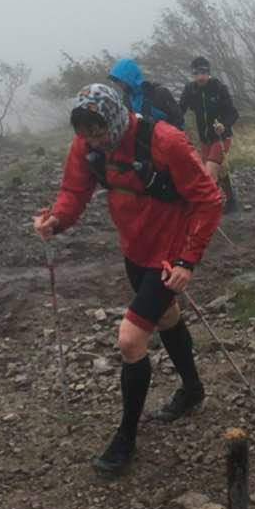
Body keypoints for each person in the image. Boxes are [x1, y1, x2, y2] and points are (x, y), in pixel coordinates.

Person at [33, 83, 222, 477]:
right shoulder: (86, 147)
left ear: (116, 114)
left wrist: (189, 259)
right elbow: (73, 190)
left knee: (130, 339)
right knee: (166, 317)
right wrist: (58, 220)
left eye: (99, 127)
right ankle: (192, 391)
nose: (93, 136)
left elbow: (208, 198)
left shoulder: (165, 141)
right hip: (134, 250)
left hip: (169, 254)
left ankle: (125, 438)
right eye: (85, 128)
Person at [180, 56, 239, 214]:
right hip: (205, 139)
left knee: (209, 172)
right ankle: (231, 200)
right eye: (196, 73)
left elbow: (233, 113)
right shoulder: (190, 90)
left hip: (222, 137)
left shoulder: (219, 88)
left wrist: (223, 125)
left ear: (208, 72)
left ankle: (205, 210)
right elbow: (179, 111)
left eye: (203, 72)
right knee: (220, 171)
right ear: (193, 74)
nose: (200, 77)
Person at [108, 58, 184, 129]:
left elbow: (179, 121)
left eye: (120, 81)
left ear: (130, 77)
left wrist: (155, 125)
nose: (119, 85)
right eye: (116, 82)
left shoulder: (159, 93)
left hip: (167, 140)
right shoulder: (127, 99)